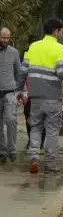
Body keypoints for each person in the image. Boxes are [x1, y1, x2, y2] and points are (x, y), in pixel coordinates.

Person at [18, 18, 63, 174]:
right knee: (52, 132)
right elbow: (61, 72)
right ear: (56, 31)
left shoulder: (33, 47)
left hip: (35, 98)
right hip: (53, 98)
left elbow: (22, 71)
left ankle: (34, 157)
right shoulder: (60, 49)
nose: (62, 33)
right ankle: (50, 166)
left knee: (35, 128)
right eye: (61, 30)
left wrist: (19, 90)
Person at [0, 27, 26, 164]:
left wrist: (23, 91)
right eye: (3, 37)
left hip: (10, 93)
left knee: (11, 120)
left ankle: (12, 150)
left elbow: (19, 74)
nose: (5, 40)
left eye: (7, 38)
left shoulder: (13, 52)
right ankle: (2, 152)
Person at [22, 33, 46, 150]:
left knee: (43, 116)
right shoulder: (25, 54)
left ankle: (41, 141)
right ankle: (31, 140)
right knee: (28, 117)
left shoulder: (45, 54)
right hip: (29, 91)